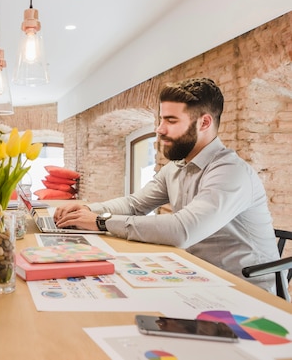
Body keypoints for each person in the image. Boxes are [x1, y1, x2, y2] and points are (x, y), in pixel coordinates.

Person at [54, 77, 279, 292]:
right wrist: (88, 210)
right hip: (196, 275)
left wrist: (101, 222)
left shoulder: (231, 171)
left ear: (204, 122)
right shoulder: (177, 167)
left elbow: (182, 229)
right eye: (161, 119)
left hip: (243, 290)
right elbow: (135, 204)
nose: (159, 129)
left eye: (171, 120)